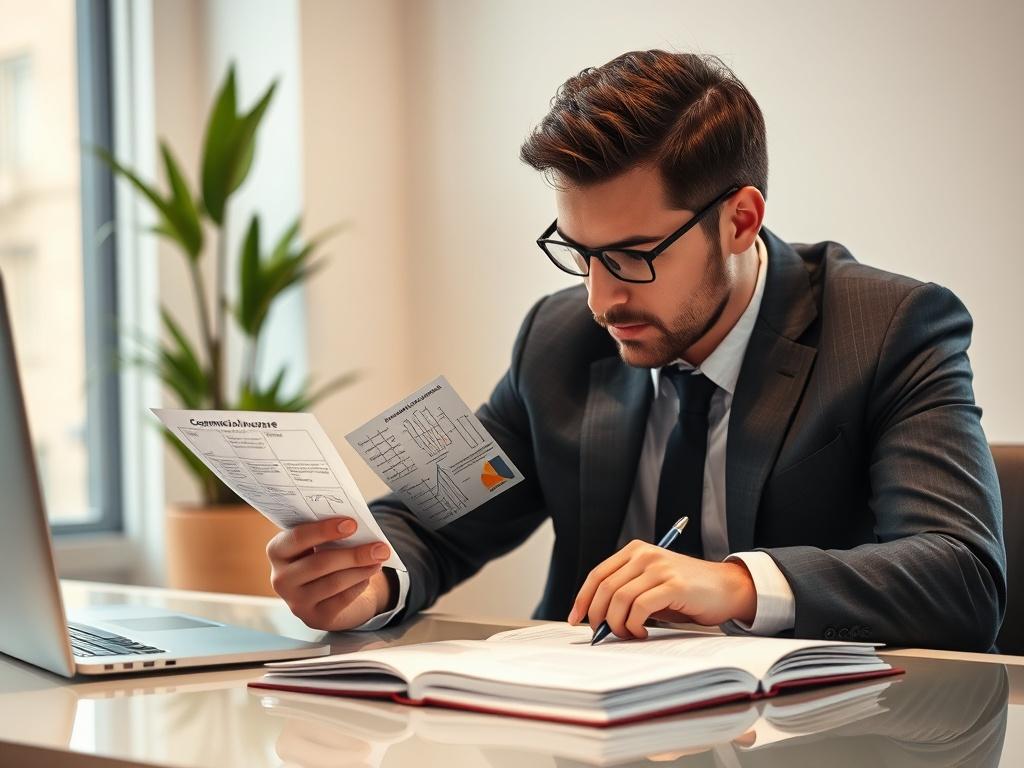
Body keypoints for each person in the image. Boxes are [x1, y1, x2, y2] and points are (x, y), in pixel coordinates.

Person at [266, 50, 1006, 651]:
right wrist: (368, 582)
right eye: (579, 252)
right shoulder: (557, 340)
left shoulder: (889, 328)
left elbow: (962, 574)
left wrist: (736, 585)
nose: (599, 298)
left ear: (741, 219)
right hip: (585, 726)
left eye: (632, 255)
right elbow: (436, 520)